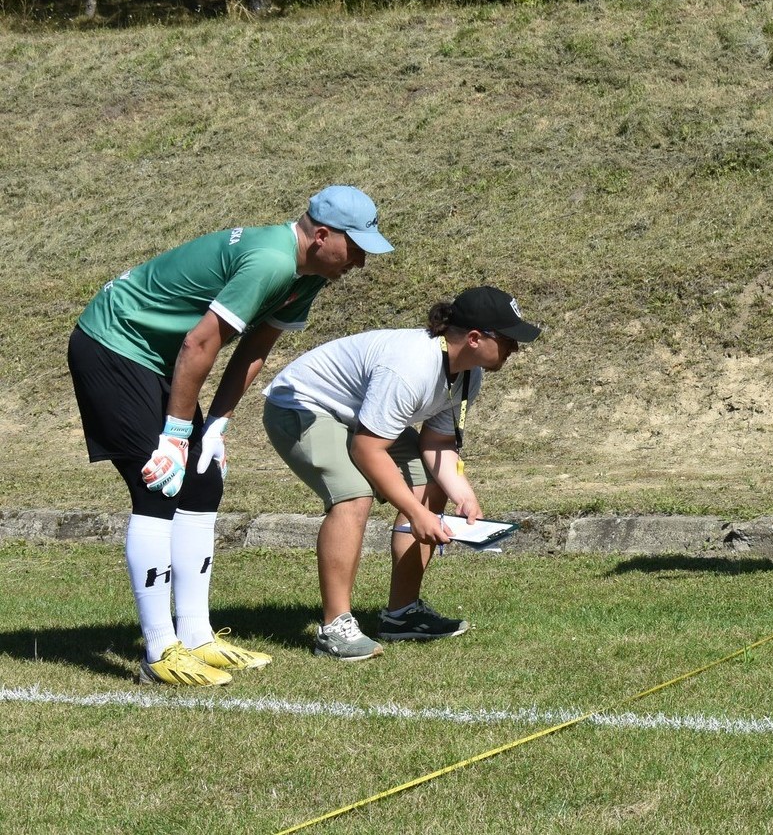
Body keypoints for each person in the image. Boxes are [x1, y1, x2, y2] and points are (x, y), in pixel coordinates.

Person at [67, 185, 391, 686]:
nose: (361, 264)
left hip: (160, 359)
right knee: (159, 481)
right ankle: (159, 653)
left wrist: (218, 422)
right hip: (114, 345)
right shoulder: (270, 262)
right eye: (356, 249)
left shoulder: (308, 276)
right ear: (322, 235)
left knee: (202, 483)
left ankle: (196, 636)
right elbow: (201, 342)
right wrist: (175, 436)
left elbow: (253, 347)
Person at [262, 287, 540, 660]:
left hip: (356, 419)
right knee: (353, 495)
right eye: (508, 339)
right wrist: (416, 513)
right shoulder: (411, 368)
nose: (514, 349)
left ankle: (402, 615)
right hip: (302, 406)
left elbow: (437, 443)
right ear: (475, 338)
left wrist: (462, 493)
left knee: (434, 481)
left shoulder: (468, 374)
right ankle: (335, 628)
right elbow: (367, 449)